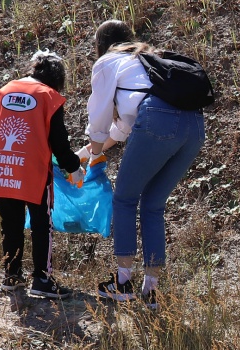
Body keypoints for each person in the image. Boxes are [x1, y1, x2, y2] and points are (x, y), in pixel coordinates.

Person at [85, 20, 206, 307]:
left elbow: (100, 117)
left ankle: (123, 283)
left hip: (157, 120)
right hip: (194, 126)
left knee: (125, 199)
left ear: (100, 46)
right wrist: (85, 152)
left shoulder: (106, 62)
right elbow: (126, 129)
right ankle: (151, 290)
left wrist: (93, 159)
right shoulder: (149, 58)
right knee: (152, 204)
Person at [0, 50, 85, 299]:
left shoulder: (5, 89)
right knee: (41, 224)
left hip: (3, 166)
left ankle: (11, 275)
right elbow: (59, 140)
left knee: (11, 224)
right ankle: (42, 279)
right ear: (57, 79)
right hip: (33, 170)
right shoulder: (48, 96)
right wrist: (73, 167)